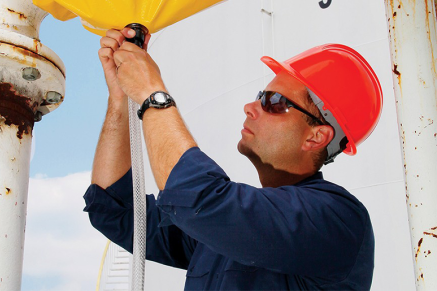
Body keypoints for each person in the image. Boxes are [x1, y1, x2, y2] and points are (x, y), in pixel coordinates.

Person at [84, 27, 383, 290]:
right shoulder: (227, 228)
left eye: (274, 103)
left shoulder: (335, 219)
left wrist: (152, 92)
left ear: (316, 137)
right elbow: (115, 211)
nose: (250, 107)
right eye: (260, 95)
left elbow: (199, 201)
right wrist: (121, 97)